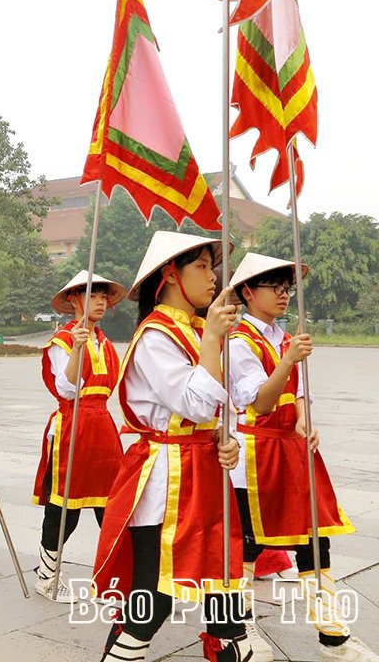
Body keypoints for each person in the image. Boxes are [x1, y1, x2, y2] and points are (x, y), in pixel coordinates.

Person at [93, 232, 249, 662]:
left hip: (203, 468)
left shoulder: (200, 328)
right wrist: (215, 341)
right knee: (153, 591)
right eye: (201, 266)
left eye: (211, 266)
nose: (213, 276)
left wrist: (228, 439)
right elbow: (196, 405)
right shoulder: (155, 336)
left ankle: (231, 647)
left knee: (221, 575)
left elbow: (223, 406)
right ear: (171, 276)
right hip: (167, 475)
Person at [227, 253, 374, 662]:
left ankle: (334, 637)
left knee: (315, 542)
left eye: (287, 287)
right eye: (274, 286)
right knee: (248, 548)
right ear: (247, 292)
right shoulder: (239, 344)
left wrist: (306, 420)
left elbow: (302, 391)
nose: (283, 294)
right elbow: (260, 401)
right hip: (253, 458)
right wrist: (289, 360)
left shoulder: (285, 338)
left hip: (293, 451)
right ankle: (240, 630)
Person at [31, 271, 125, 603]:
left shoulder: (106, 343)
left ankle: (113, 577)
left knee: (111, 505)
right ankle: (46, 576)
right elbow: (65, 388)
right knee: (64, 507)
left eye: (103, 297)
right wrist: (76, 350)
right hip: (73, 425)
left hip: (102, 426)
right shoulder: (63, 340)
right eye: (93, 295)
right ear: (74, 300)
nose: (99, 302)